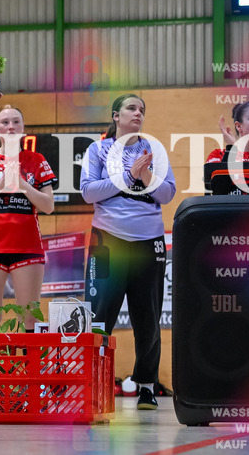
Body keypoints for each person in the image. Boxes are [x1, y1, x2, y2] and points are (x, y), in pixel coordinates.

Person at [81, 94, 176, 410]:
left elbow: (167, 194)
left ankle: (147, 387)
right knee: (99, 316)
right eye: (131, 108)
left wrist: (146, 175)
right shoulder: (98, 150)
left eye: (142, 110)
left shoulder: (154, 151)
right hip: (108, 240)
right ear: (115, 115)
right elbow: (88, 192)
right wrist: (128, 176)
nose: (138, 113)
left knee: (148, 318)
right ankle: (94, 384)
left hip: (150, 242)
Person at [0, 105, 56, 332]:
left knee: (29, 319)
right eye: (5, 122)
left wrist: (22, 184)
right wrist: (1, 184)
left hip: (27, 246)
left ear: (23, 128)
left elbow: (48, 206)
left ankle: (29, 357)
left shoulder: (36, 159)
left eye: (16, 122)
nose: (11, 127)